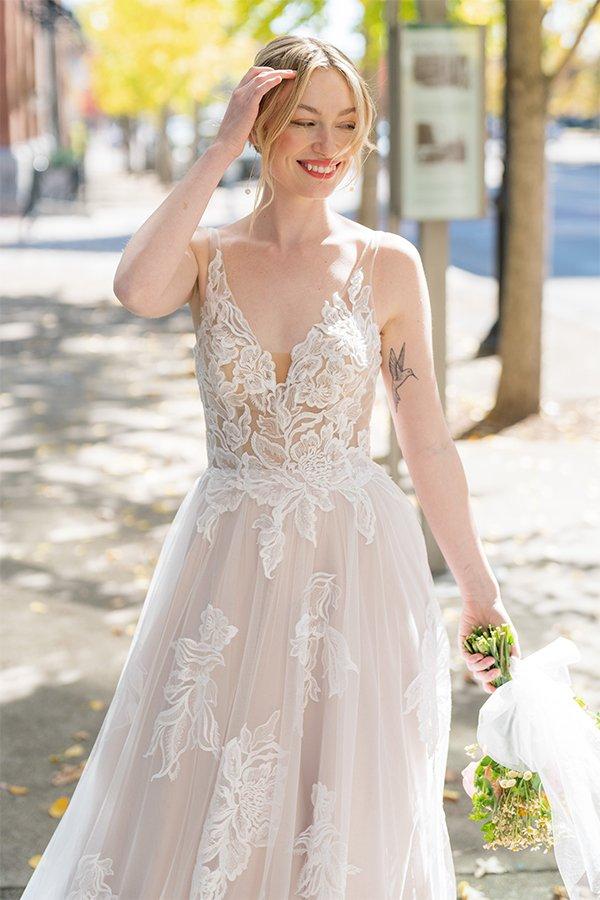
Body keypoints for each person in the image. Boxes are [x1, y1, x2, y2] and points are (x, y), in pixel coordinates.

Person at [22, 34, 521, 900]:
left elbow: (426, 438)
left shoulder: (385, 264)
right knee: (207, 783)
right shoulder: (207, 258)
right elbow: (136, 289)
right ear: (262, 126)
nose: (327, 146)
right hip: (228, 564)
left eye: (346, 123)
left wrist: (478, 588)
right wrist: (215, 150)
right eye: (302, 123)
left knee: (339, 802)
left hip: (353, 560)